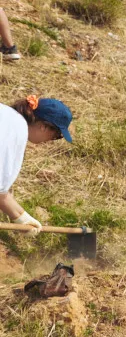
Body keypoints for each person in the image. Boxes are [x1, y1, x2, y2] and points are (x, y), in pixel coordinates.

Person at [1, 96, 73, 236]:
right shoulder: (16, 131)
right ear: (44, 126)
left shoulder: (8, 117)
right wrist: (22, 218)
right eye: (57, 135)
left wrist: (21, 217)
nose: (52, 140)